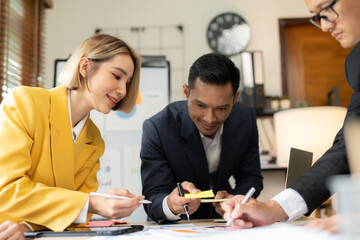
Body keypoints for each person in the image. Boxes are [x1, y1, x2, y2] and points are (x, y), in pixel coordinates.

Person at [222, 0, 360, 232]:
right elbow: (347, 148)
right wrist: (273, 208)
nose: (325, 26)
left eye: (326, 9)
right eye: (317, 16)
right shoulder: (356, 63)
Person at [0, 33, 144, 239]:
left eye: (128, 82)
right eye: (116, 76)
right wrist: (93, 203)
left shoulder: (94, 140)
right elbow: (6, 189)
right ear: (85, 67)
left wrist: (29, 226)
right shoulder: (24, 103)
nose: (122, 90)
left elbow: (76, 217)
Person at [140, 53, 263, 223]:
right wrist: (171, 204)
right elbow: (154, 195)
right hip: (174, 225)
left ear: (235, 98)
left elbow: (251, 177)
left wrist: (235, 199)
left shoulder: (245, 118)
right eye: (200, 105)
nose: (209, 118)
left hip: (223, 223)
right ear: (186, 92)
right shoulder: (158, 128)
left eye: (221, 108)